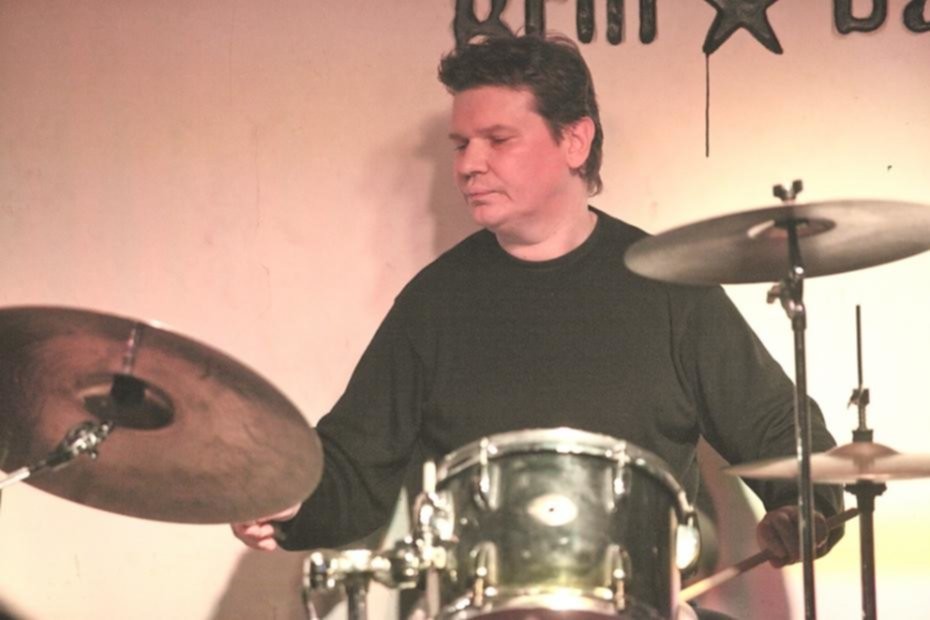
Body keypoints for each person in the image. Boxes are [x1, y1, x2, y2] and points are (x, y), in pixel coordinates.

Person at [232, 34, 842, 616]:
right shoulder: (434, 304)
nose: (469, 165)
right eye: (460, 144)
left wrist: (804, 507)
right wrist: (288, 500)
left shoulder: (670, 288)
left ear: (575, 140)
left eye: (497, 140)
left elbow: (778, 428)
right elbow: (355, 468)